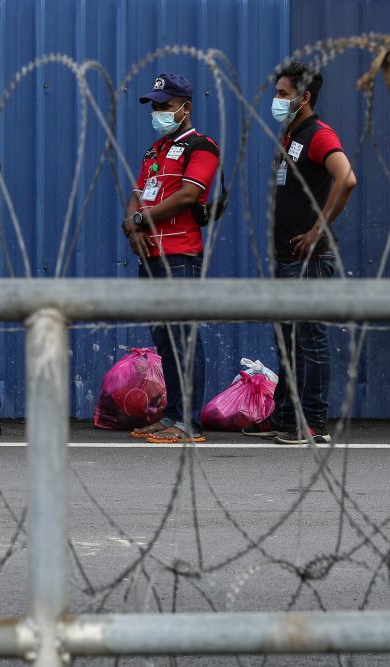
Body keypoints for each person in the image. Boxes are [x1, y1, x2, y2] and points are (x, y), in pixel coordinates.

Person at [244, 62, 356, 445]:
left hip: (309, 259)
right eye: (276, 93)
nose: (276, 100)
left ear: (304, 98)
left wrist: (316, 230)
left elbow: (347, 177)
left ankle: (313, 422)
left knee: (310, 339)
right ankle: (287, 417)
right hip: (288, 258)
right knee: (288, 341)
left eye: (283, 94)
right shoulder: (289, 135)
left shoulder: (318, 135)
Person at [121, 73, 221, 444]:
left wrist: (138, 219)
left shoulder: (202, 147)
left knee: (184, 340)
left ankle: (189, 423)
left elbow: (188, 195)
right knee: (165, 342)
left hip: (180, 256)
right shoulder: (155, 150)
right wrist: (134, 226)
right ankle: (173, 415)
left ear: (185, 108)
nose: (159, 112)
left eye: (166, 106)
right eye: (156, 107)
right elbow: (137, 191)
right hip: (151, 256)